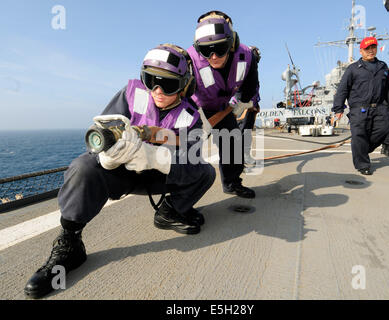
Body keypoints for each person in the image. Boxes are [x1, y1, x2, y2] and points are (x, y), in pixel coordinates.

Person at [23, 44, 216, 299]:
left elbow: (191, 160)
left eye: (167, 84)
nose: (157, 91)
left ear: (183, 84)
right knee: (83, 167)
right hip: (122, 171)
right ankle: (70, 243)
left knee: (205, 172)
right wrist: (106, 156)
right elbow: (101, 132)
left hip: (161, 173)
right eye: (151, 81)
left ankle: (170, 212)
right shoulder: (131, 94)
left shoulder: (191, 117)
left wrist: (154, 157)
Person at [187, 11, 259, 198]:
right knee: (184, 151)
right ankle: (180, 200)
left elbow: (250, 83)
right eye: (206, 50)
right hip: (196, 108)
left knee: (233, 143)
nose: (213, 56)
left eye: (220, 48)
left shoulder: (247, 55)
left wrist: (243, 102)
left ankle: (232, 183)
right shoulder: (189, 60)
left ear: (231, 43)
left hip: (222, 107)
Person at [333, 37, 389, 175]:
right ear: (361, 51)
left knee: (384, 129)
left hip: (380, 107)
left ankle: (362, 149)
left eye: (373, 47)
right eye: (367, 49)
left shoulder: (383, 66)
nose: (371, 51)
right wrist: (338, 108)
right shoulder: (353, 69)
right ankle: (363, 165)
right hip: (359, 109)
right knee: (359, 135)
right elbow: (343, 89)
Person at [237, 46, 261, 165]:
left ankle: (244, 157)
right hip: (243, 107)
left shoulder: (253, 72)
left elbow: (255, 90)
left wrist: (256, 104)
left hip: (251, 106)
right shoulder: (243, 69)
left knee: (246, 132)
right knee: (241, 133)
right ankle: (240, 159)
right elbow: (239, 90)